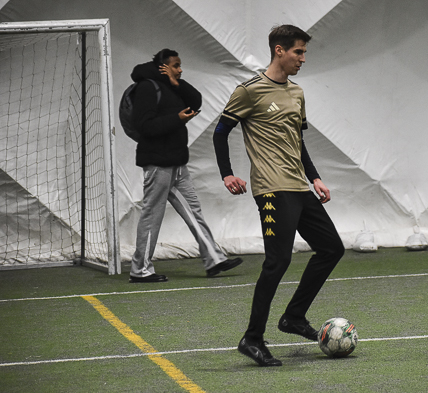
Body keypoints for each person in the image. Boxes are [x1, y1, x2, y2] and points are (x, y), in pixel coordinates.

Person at [213, 26, 345, 366]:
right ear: (279, 50)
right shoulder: (249, 90)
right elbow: (220, 132)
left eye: (304, 53)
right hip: (271, 189)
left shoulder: (297, 93)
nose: (303, 59)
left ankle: (293, 318)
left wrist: (315, 178)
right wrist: (227, 173)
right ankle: (252, 338)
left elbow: (298, 142)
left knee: (332, 248)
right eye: (298, 52)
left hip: (299, 187)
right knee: (278, 261)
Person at [128, 49, 242, 283]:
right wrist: (176, 119)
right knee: (152, 215)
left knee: (193, 210)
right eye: (176, 66)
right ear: (163, 66)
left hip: (177, 163)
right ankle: (140, 270)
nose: (180, 70)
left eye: (180, 66)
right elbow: (144, 126)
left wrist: (174, 82)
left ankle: (214, 259)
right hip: (158, 164)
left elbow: (196, 100)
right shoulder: (147, 87)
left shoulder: (171, 86)